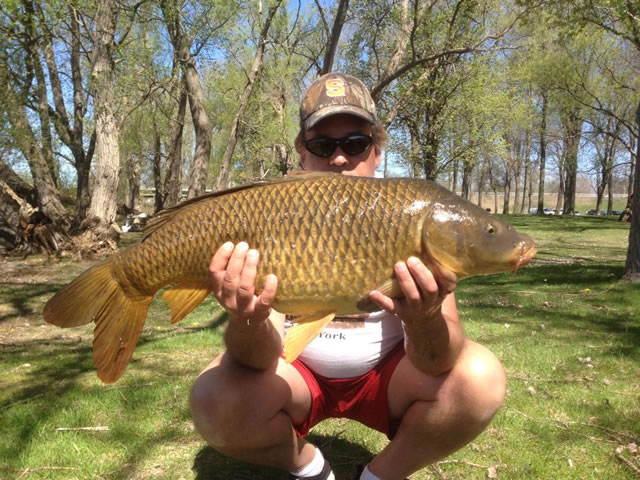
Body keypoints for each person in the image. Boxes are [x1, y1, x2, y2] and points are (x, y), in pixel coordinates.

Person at [189, 73, 506, 480]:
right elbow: (258, 359)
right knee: (214, 395)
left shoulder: (412, 215)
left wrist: (424, 317)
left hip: (389, 381)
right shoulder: (271, 216)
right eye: (323, 145)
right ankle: (308, 469)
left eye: (355, 144)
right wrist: (246, 318)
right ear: (303, 154)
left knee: (478, 377)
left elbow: (438, 362)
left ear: (376, 151)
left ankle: (378, 476)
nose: (339, 158)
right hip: (296, 379)